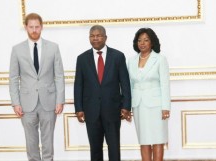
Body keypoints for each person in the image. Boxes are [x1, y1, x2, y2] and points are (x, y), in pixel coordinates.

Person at [9, 13, 65, 161]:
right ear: (26, 27)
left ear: (42, 27)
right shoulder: (17, 50)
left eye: (37, 27)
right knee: (31, 142)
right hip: (26, 104)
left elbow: (59, 76)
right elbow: (13, 78)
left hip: (49, 102)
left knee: (48, 143)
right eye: (31, 27)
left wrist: (60, 100)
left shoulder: (53, 47)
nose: (34, 30)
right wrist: (16, 103)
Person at [74, 25, 131, 161]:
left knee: (114, 148)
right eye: (92, 36)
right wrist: (79, 109)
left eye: (98, 35)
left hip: (112, 110)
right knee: (95, 149)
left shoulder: (118, 56)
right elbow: (78, 85)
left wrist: (126, 106)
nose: (95, 38)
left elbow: (125, 83)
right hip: (91, 111)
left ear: (105, 37)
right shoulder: (82, 59)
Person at [127, 28, 171, 161]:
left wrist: (165, 107)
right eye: (139, 40)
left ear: (152, 43)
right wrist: (127, 107)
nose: (142, 43)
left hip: (156, 106)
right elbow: (129, 85)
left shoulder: (160, 59)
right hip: (138, 105)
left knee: (158, 139)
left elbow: (165, 84)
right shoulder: (131, 60)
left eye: (146, 40)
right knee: (144, 139)